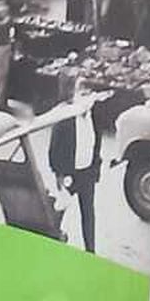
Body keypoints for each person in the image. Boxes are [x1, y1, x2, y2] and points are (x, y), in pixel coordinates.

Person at [47, 75, 106, 253]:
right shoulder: (65, 119)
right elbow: (54, 150)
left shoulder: (95, 117)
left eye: (89, 94)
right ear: (72, 96)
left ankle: (91, 251)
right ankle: (51, 242)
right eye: (81, 94)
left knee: (88, 214)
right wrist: (60, 175)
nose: (86, 99)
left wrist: (95, 169)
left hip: (87, 173)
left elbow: (97, 145)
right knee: (59, 210)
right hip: (69, 175)